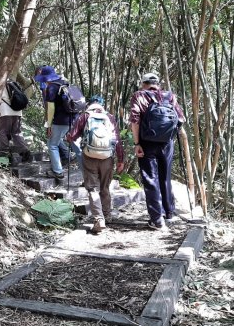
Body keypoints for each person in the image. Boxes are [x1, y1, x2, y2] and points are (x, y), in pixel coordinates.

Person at [129, 72, 185, 231]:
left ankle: (157, 220)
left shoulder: (139, 95)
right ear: (157, 84)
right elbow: (181, 119)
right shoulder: (169, 96)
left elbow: (135, 120)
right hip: (167, 143)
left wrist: (137, 143)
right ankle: (170, 213)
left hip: (147, 143)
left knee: (150, 179)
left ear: (143, 83)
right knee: (165, 178)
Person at [66, 95, 124, 234]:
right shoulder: (109, 117)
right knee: (104, 187)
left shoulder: (84, 116)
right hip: (107, 158)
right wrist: (121, 159)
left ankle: (99, 219)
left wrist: (69, 137)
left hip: (89, 157)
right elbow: (117, 140)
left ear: (89, 104)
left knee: (92, 189)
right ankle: (107, 214)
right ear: (102, 105)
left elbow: (72, 136)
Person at [34, 65, 83, 180]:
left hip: (61, 120)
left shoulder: (51, 87)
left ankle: (58, 172)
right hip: (75, 119)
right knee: (77, 148)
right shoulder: (65, 83)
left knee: (52, 144)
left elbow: (51, 109)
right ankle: (88, 175)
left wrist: (49, 125)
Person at [0, 80, 32, 164]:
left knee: (2, 132)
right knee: (16, 132)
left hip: (5, 111)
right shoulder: (12, 83)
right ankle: (25, 153)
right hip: (17, 111)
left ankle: (4, 155)